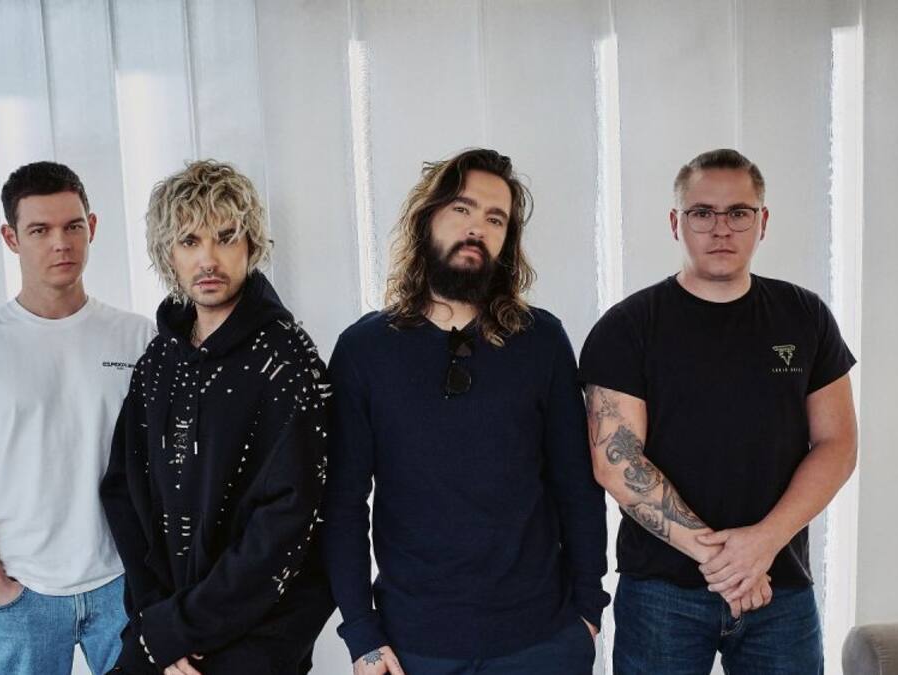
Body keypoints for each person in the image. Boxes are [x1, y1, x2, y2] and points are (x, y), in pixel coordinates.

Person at [323, 148, 609, 675]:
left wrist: (589, 609)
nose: (477, 227)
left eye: (495, 219)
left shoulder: (541, 340)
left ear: (507, 242)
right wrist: (362, 634)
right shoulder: (365, 350)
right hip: (414, 648)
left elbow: (577, 484)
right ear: (427, 218)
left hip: (542, 642)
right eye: (462, 208)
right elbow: (343, 503)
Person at [580, 148, 858, 674]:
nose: (721, 228)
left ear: (763, 221)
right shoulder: (628, 326)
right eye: (702, 213)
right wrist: (728, 562)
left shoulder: (805, 317)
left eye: (739, 212)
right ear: (676, 222)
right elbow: (617, 461)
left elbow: (837, 444)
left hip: (780, 587)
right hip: (662, 593)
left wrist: (763, 544)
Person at [0, 161, 155, 674]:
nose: (60, 244)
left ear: (92, 227)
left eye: (72, 226)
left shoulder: (138, 338)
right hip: (24, 593)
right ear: (11, 238)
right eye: (40, 230)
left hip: (123, 584)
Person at [100, 160, 334, 675]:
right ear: (169, 253)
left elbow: (288, 522)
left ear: (250, 245)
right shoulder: (159, 361)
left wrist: (181, 628)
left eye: (226, 237)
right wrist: (157, 623)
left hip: (258, 639)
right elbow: (125, 491)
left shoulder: (287, 360)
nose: (208, 259)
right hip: (164, 630)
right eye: (189, 241)